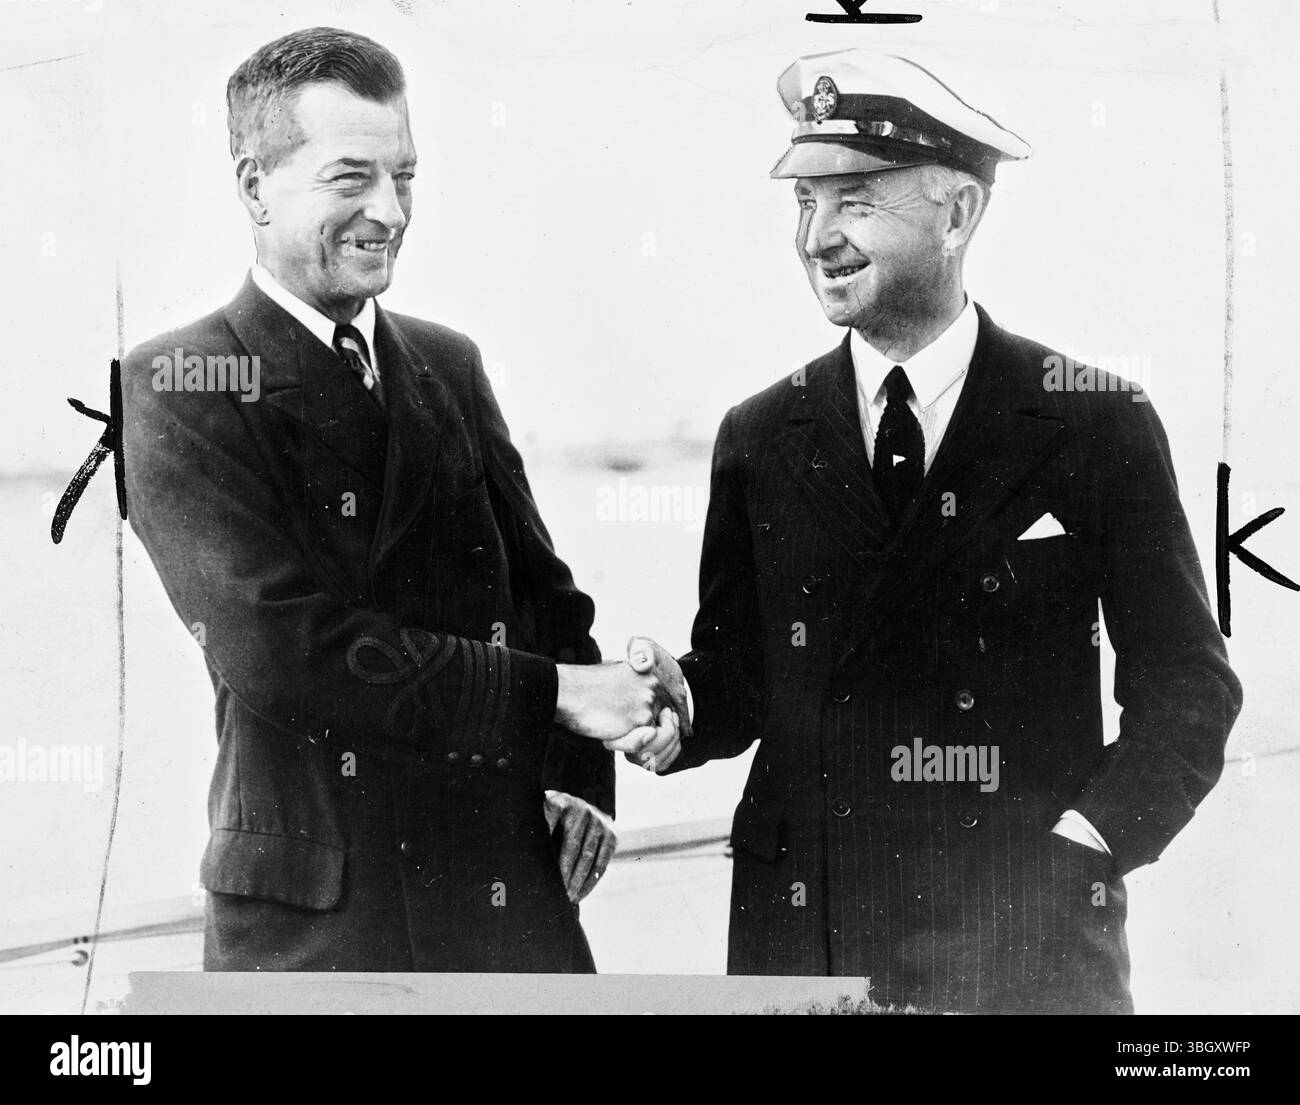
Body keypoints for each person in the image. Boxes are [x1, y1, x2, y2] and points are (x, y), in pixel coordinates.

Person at [627, 50, 1242, 1013]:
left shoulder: (1093, 419)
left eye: (857, 200)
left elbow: (1189, 687)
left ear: (959, 214)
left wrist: (1085, 847)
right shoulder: (759, 434)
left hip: (1019, 946)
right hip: (809, 945)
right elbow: (744, 672)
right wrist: (687, 706)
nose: (817, 237)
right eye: (804, 204)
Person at [122, 26, 683, 972]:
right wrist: (561, 698)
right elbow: (285, 649)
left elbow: (546, 600)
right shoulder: (179, 381)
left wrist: (580, 777)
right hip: (319, 930)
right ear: (255, 186)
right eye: (351, 178)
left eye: (406, 176)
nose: (390, 210)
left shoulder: (448, 363)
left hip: (508, 902)